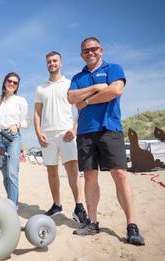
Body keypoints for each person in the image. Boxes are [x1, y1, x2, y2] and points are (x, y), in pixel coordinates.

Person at [67, 37, 145, 245]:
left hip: (109, 128)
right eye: (85, 51)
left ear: (101, 50)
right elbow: (71, 98)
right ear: (81, 54)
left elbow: (115, 90)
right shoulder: (78, 76)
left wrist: (88, 101)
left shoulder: (114, 68)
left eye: (93, 49)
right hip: (85, 131)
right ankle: (92, 222)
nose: (90, 53)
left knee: (120, 174)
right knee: (90, 176)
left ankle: (131, 225)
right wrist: (97, 88)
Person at [34, 51, 88, 224]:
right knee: (51, 172)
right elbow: (36, 113)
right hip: (47, 135)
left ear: (61, 63)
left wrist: (75, 128)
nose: (52, 63)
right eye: (49, 61)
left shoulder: (70, 84)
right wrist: (38, 132)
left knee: (73, 170)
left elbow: (81, 108)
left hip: (66, 133)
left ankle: (79, 207)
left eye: (55, 61)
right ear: (46, 64)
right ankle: (57, 205)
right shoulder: (40, 88)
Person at [0, 72, 28, 206]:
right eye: (9, 81)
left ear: (17, 85)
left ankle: (13, 206)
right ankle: (10, 201)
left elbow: (26, 121)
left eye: (15, 82)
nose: (12, 84)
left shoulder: (21, 101)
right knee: (5, 175)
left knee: (13, 172)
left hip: (13, 137)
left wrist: (17, 125)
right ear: (5, 82)